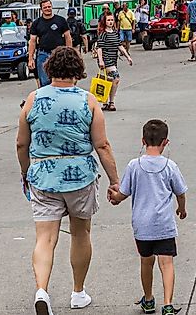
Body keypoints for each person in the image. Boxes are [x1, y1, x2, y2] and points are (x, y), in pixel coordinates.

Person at [18, 46, 122, 315]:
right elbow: (102, 145)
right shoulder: (88, 101)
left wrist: (26, 171)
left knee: (45, 238)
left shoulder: (33, 99)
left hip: (43, 175)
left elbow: (21, 143)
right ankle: (78, 292)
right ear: (77, 71)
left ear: (49, 68)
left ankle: (42, 290)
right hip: (80, 176)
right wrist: (115, 180)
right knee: (80, 233)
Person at [116, 119, 187, 315]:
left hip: (142, 226)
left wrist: (114, 197)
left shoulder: (134, 165)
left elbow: (123, 193)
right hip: (163, 224)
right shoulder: (170, 166)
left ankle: (148, 300)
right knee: (167, 263)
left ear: (142, 140)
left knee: (146, 262)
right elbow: (180, 192)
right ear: (166, 142)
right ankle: (168, 304)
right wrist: (181, 209)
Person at [27, 0, 72, 87]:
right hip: (43, 54)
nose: (48, 9)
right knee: (44, 82)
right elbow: (32, 41)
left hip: (59, 55)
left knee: (60, 79)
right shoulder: (36, 23)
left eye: (49, 7)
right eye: (45, 7)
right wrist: (30, 59)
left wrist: (69, 53)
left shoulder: (61, 20)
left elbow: (68, 37)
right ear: (41, 9)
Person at [95, 12, 123, 111]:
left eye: (112, 20)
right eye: (108, 20)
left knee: (109, 80)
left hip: (113, 58)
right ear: (105, 22)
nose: (110, 22)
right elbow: (99, 48)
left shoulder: (115, 33)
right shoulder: (103, 34)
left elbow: (119, 45)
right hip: (106, 58)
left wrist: (128, 57)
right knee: (116, 78)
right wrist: (101, 60)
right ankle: (111, 102)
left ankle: (106, 102)